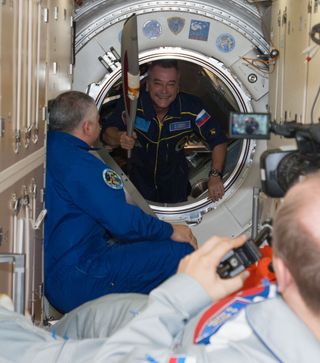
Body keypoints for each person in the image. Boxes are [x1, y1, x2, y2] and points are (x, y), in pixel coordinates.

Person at [2, 173, 320, 362]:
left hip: (158, 340)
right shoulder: (293, 306)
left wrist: (181, 294)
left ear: (284, 270)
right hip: (184, 321)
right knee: (99, 313)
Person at [44, 90, 197, 313]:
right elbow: (123, 223)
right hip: (81, 275)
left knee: (143, 249)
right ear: (87, 127)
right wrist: (170, 230)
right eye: (98, 122)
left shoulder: (53, 149)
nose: (100, 126)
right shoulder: (82, 164)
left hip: (61, 271)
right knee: (179, 252)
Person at [102, 59, 228, 203]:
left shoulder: (192, 108)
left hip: (176, 184)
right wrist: (119, 137)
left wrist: (215, 175)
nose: (164, 91)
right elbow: (107, 132)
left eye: (171, 84)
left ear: (178, 87)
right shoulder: (132, 104)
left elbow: (218, 140)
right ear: (147, 85)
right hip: (139, 181)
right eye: (158, 83)